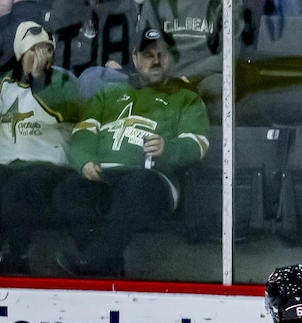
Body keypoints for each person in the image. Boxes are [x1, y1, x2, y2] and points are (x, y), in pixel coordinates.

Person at [54, 27, 211, 277]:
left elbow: (199, 142)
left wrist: (168, 148)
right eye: (149, 55)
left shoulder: (185, 95)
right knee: (67, 191)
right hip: (105, 177)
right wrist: (85, 160)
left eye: (162, 54)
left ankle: (97, 261)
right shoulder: (108, 93)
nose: (156, 61)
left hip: (152, 179)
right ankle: (107, 265)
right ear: (136, 59)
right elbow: (84, 131)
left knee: (135, 186)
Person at [0, 21, 83, 275]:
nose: (44, 55)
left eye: (48, 49)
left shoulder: (63, 80)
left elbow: (64, 112)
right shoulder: (2, 84)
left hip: (49, 164)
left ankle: (18, 257)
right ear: (20, 54)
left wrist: (40, 79)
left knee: (18, 190)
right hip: (6, 164)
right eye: (35, 49)